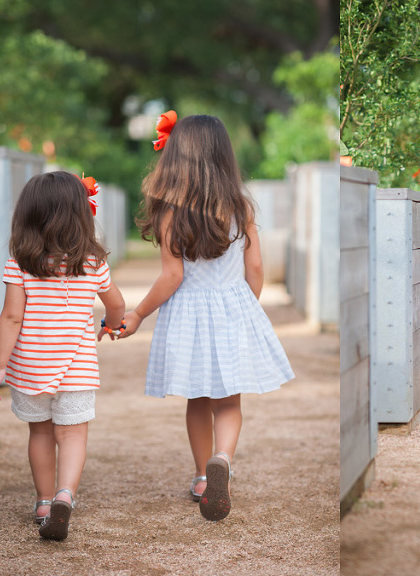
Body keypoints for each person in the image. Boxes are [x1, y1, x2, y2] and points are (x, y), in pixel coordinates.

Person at [119, 111, 294, 522]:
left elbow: (172, 276)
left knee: (197, 398)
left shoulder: (169, 213)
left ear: (176, 156)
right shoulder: (240, 207)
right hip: (232, 308)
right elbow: (255, 270)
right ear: (223, 156)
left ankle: (202, 477)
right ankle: (223, 460)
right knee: (228, 400)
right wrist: (247, 305)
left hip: (188, 315)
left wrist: (140, 313)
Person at [0, 171, 126, 541]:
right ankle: (66, 495)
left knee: (41, 433)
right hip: (76, 367)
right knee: (74, 435)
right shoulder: (93, 263)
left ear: (28, 216)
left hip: (31, 366)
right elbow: (116, 305)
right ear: (82, 215)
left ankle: (45, 502)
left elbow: (12, 316)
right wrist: (111, 326)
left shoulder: (21, 261)